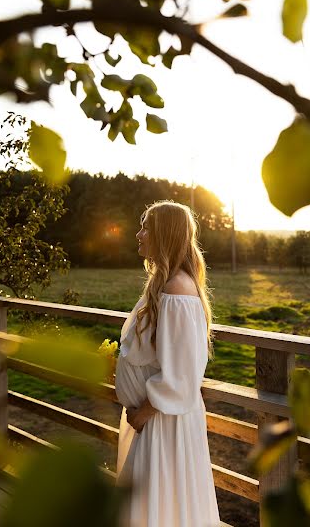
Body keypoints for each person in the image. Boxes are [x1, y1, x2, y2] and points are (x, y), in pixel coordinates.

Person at [114, 200, 221, 527]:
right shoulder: (164, 283)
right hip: (152, 420)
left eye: (146, 227)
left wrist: (143, 413)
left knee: (161, 507)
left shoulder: (177, 289)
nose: (139, 234)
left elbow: (184, 374)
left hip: (162, 422)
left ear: (165, 234)